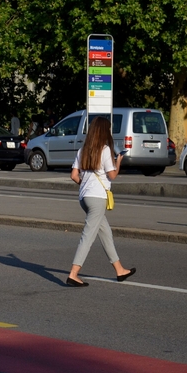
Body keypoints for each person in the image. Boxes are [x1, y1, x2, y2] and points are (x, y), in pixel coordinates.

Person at [67, 116, 135, 287]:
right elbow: (112, 175)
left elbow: (74, 175)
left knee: (105, 233)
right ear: (104, 131)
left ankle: (119, 270)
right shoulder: (104, 150)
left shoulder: (83, 150)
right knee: (88, 236)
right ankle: (73, 274)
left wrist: (87, 186)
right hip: (97, 198)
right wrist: (118, 162)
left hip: (84, 197)